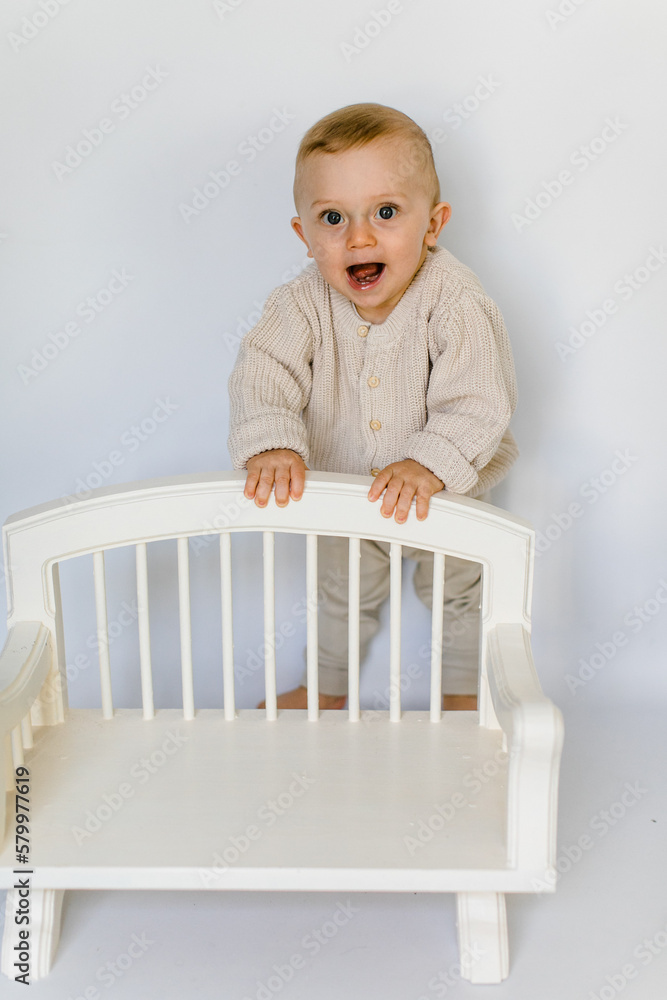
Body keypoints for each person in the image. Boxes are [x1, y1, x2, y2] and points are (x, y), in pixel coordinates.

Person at [227, 102, 519, 712]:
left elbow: (480, 397)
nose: (359, 237)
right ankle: (324, 689)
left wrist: (430, 462)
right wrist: (272, 441)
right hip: (347, 489)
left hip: (447, 489)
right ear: (305, 236)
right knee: (340, 591)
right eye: (333, 218)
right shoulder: (299, 305)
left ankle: (464, 696)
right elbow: (265, 369)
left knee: (463, 591)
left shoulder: (455, 300)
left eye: (386, 212)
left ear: (432, 224)